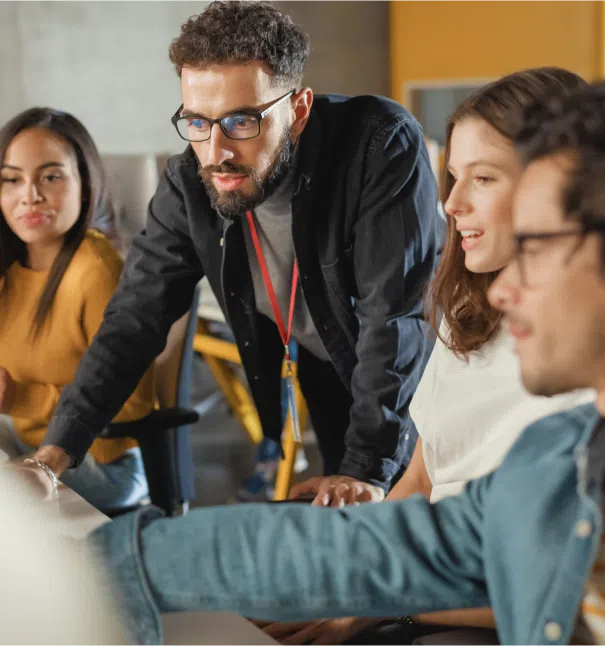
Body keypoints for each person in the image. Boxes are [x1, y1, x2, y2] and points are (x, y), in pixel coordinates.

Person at [88, 81, 605, 646]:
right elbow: (405, 542)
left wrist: (379, 609)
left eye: (536, 247)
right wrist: (125, 560)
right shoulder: (560, 457)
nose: (505, 292)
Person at [25, 0, 442, 506]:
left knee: (422, 525)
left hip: (425, 377)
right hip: (327, 368)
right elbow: (133, 320)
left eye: (242, 122)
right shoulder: (188, 182)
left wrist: (367, 469)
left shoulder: (379, 144)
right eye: (197, 122)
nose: (216, 151)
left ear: (300, 110)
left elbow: (393, 317)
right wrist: (50, 459)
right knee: (357, 536)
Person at [262, 67, 592, 646]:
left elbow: (559, 583)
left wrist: (380, 602)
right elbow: (424, 474)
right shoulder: (469, 314)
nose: (450, 202)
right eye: (454, 176)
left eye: (483, 178)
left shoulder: (577, 354)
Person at [0, 107, 155, 512]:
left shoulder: (96, 268)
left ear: (85, 184)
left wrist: (20, 398)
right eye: (12, 179)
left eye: (50, 177)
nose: (30, 195)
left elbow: (136, 400)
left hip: (100, 466)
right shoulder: (10, 271)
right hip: (24, 444)